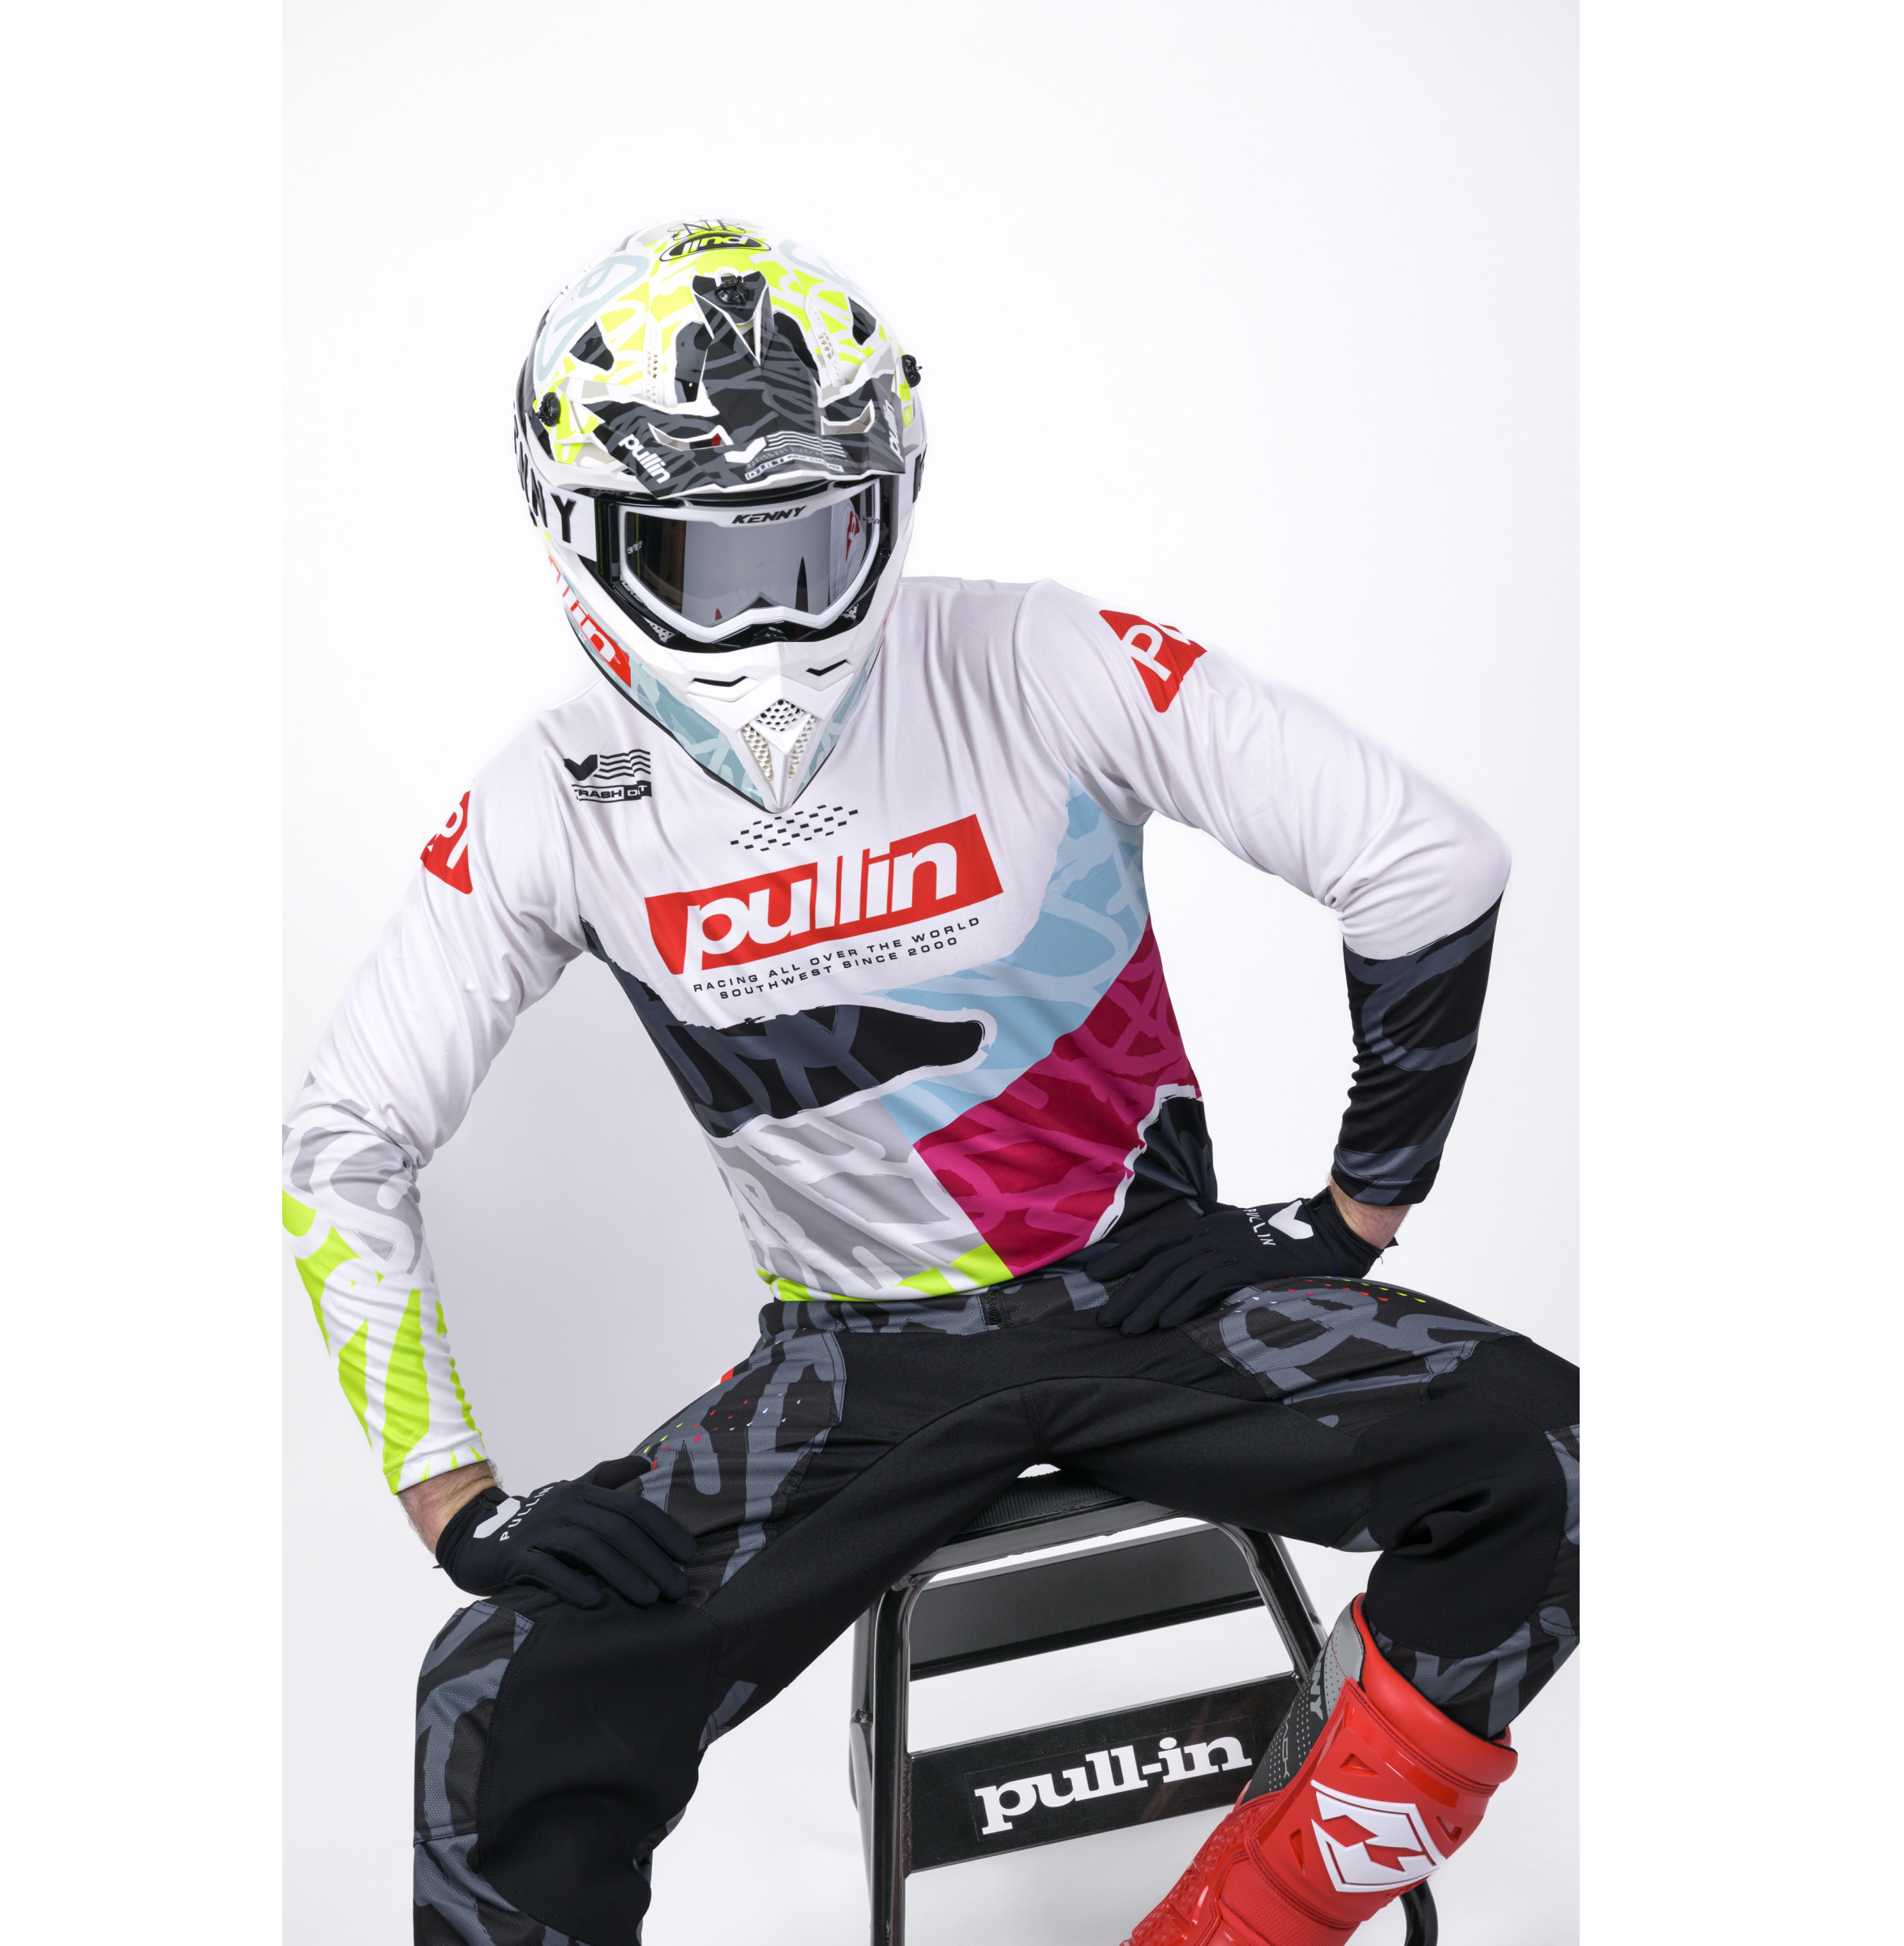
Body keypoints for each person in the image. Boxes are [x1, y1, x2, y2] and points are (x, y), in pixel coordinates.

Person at [283, 217, 1578, 1946]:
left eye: (812, 543)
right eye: (701, 561)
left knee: (1557, 1457)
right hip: (926, 1351)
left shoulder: (1034, 649)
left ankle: (1242, 1923)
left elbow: (1429, 867)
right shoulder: (562, 792)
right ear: (578, 538)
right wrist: (459, 1503)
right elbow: (343, 1140)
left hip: (1056, 1322)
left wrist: (1349, 1220)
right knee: (499, 1689)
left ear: (888, 505)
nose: (768, 616)